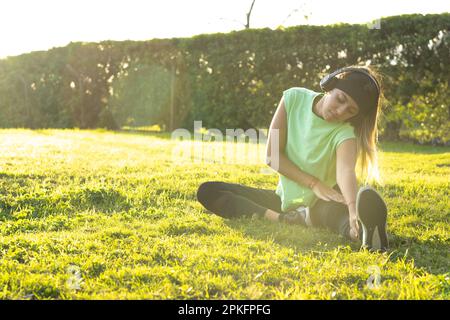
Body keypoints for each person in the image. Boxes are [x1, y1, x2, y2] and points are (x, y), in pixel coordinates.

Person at [196, 66, 389, 252]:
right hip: (284, 200)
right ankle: (286, 218)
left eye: (350, 111)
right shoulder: (293, 98)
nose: (341, 111)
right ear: (329, 85)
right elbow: (272, 156)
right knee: (209, 190)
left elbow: (345, 172)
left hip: (322, 202)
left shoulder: (345, 133)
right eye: (340, 99)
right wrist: (313, 183)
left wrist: (353, 209)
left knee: (336, 217)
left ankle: (364, 232)